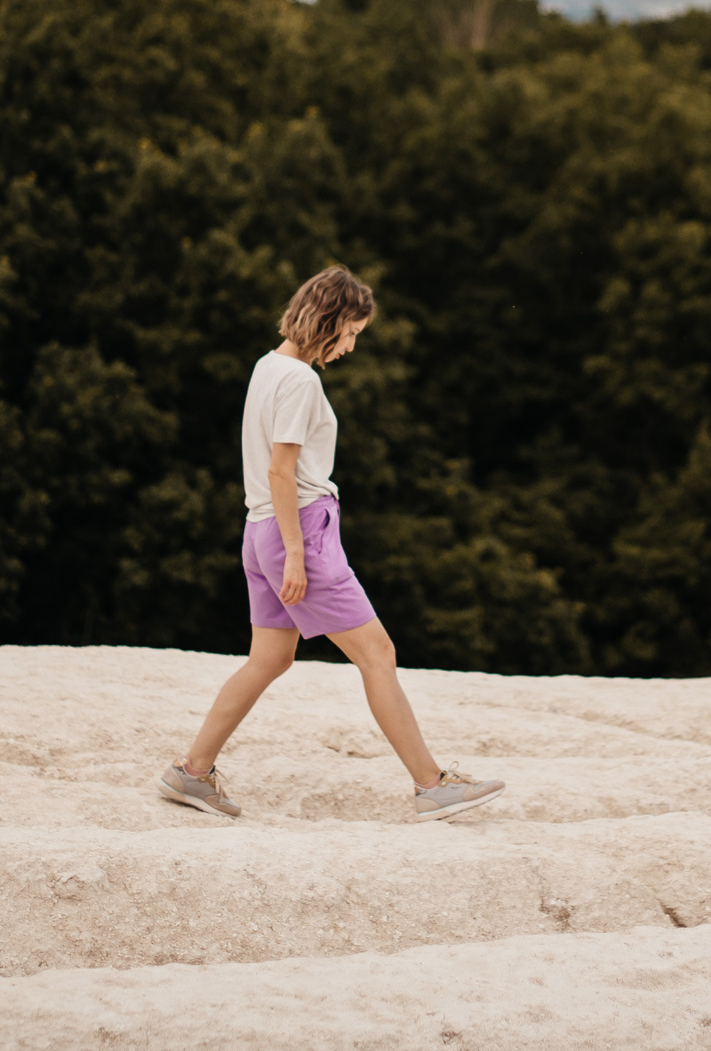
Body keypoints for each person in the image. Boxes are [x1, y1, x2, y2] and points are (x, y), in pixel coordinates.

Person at [158, 265, 506, 824]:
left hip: (258, 532)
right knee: (379, 653)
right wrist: (297, 553)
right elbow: (281, 470)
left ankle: (192, 772)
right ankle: (431, 785)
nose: (350, 346)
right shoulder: (300, 381)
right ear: (332, 320)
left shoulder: (267, 366)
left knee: (269, 658)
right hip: (297, 531)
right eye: (352, 333)